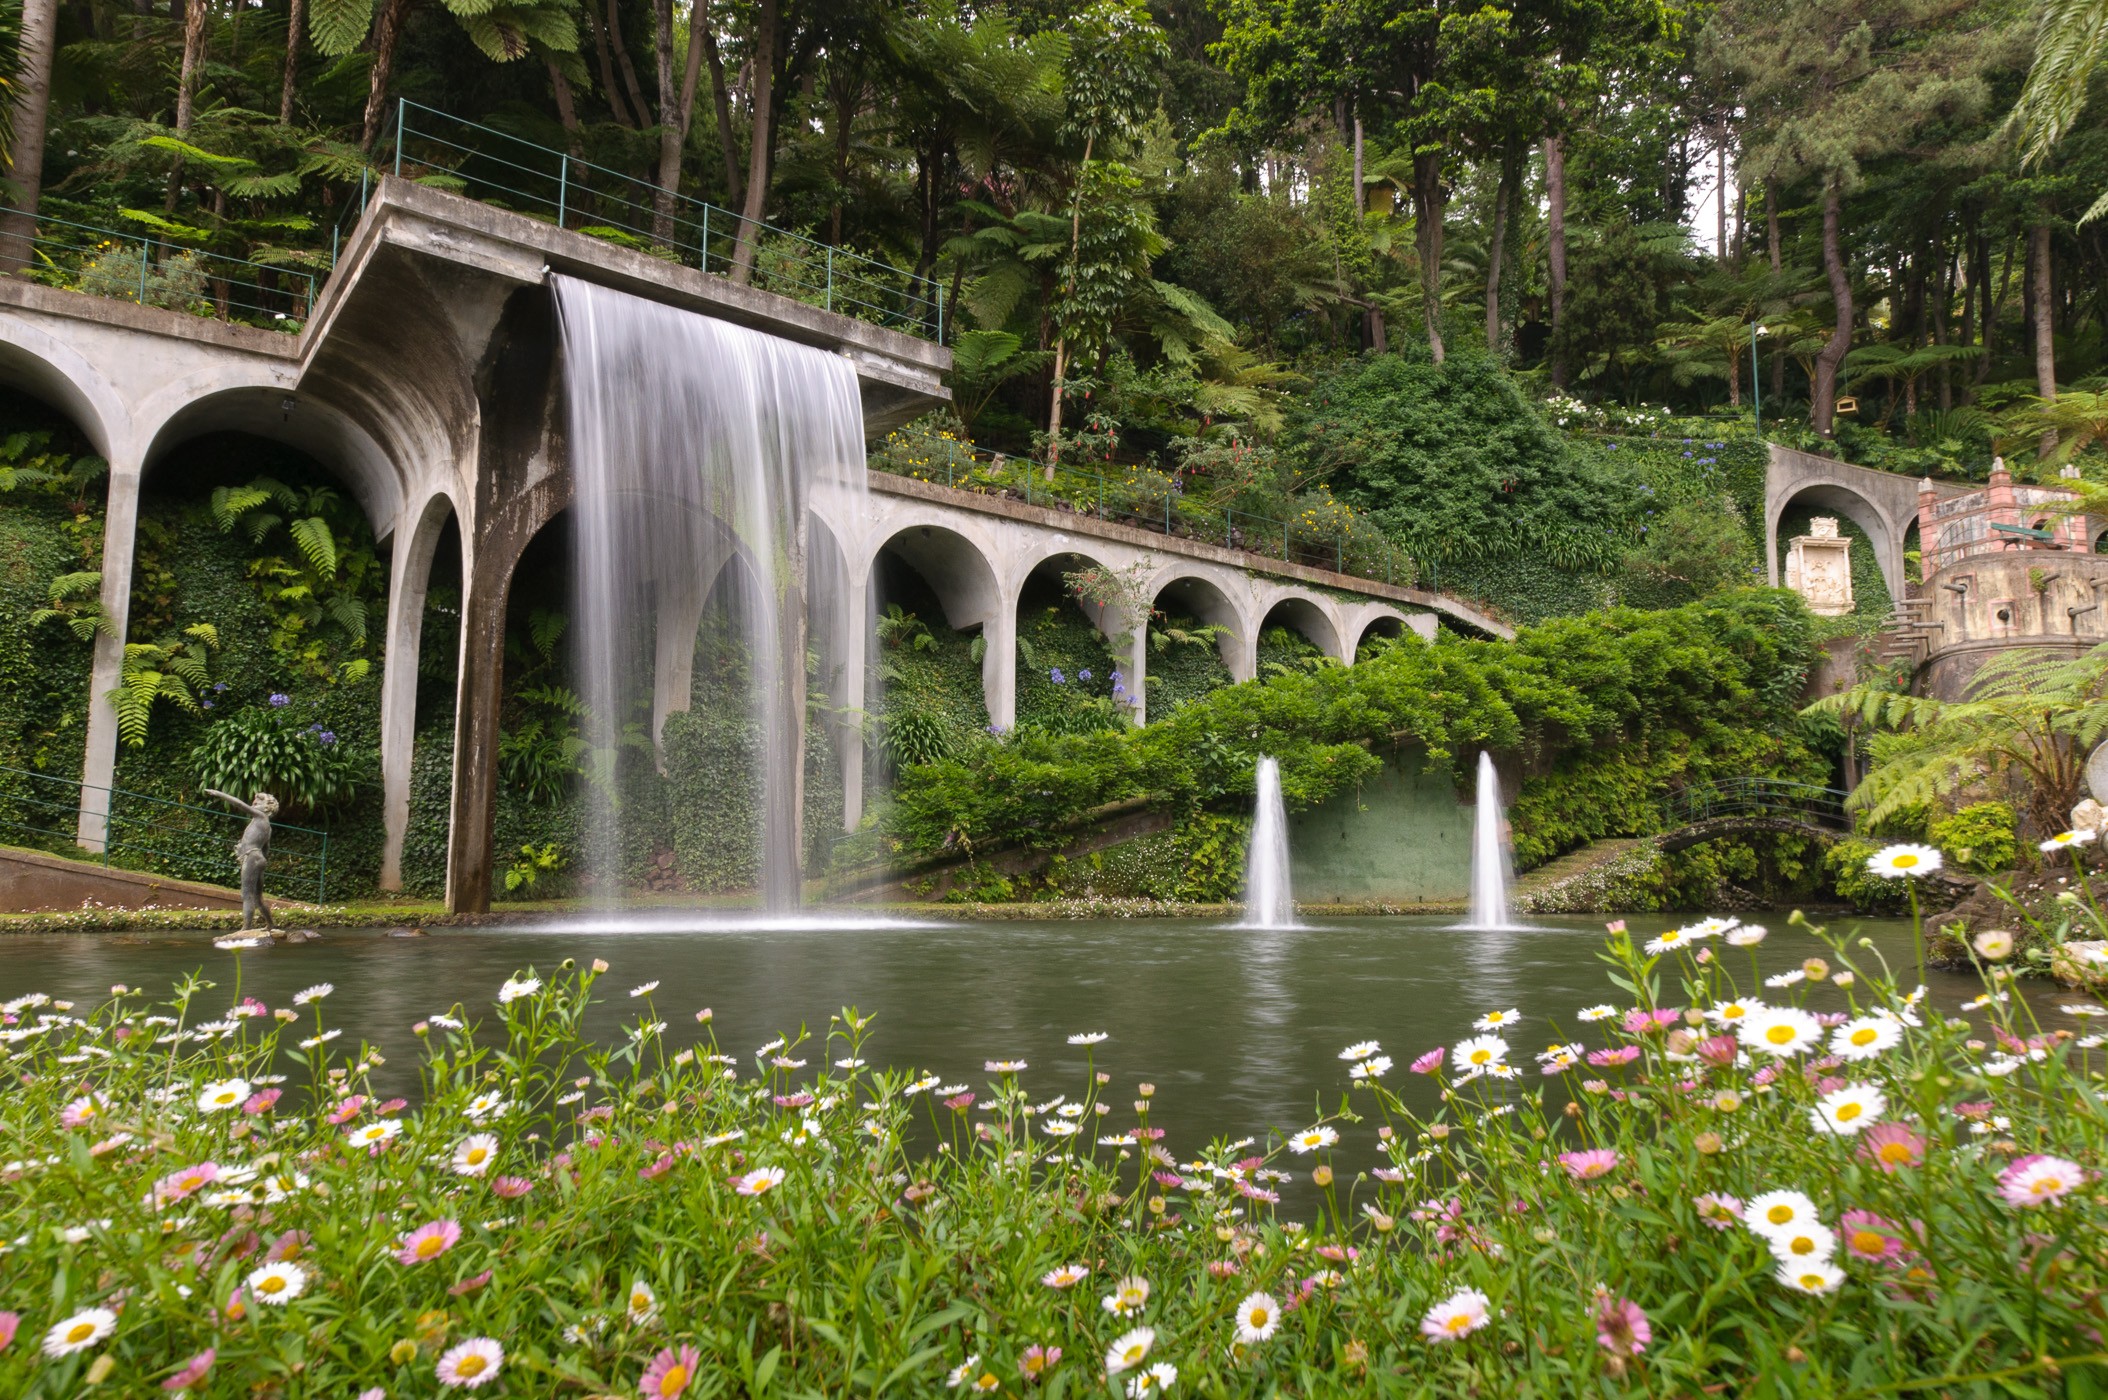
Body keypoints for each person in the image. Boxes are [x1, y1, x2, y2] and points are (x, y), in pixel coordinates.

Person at [201, 789, 279, 931]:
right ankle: (271, 924)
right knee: (257, 897)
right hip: (258, 858)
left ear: (267, 807)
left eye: (259, 801)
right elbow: (267, 848)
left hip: (252, 856)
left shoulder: (260, 816)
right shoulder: (267, 826)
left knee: (246, 894)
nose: (254, 802)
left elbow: (240, 804)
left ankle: (246, 928)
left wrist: (218, 794)